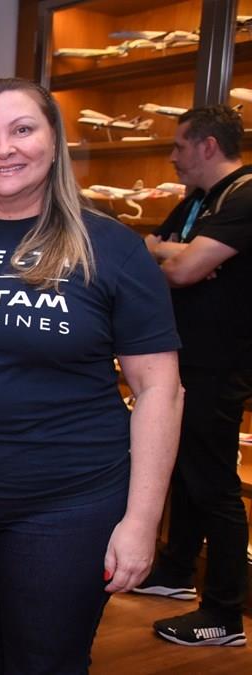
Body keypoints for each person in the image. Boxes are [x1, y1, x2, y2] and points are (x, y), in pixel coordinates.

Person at [0, 77, 183, 673]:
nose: (3, 149)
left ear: (54, 142)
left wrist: (142, 521)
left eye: (22, 130)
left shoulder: (111, 247)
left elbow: (160, 389)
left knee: (47, 662)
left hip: (69, 503)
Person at [138, 105, 251, 647]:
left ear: (208, 146)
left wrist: (170, 253)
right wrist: (173, 252)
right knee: (184, 471)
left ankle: (224, 614)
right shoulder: (199, 201)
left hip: (219, 363)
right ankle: (176, 572)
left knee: (214, 484)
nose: (172, 156)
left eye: (180, 145)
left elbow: (180, 269)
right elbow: (150, 254)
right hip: (186, 359)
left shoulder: (245, 195)